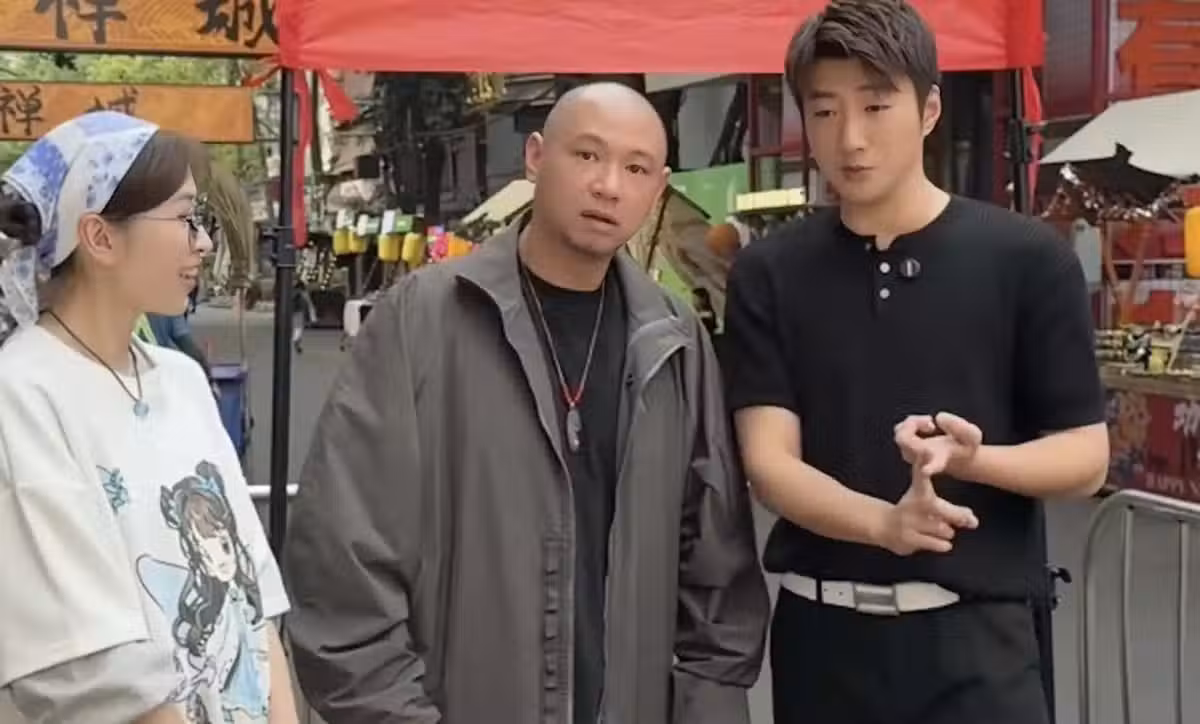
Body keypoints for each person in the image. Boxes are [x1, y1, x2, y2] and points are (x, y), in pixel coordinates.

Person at [286, 82, 769, 724]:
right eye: (587, 155)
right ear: (536, 157)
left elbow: (716, 574)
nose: (608, 186)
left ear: (659, 188)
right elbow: (342, 561)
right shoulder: (421, 320)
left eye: (636, 169)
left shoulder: (674, 340)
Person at [722, 3, 1110, 724]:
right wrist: (884, 524)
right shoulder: (768, 272)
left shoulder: (1028, 260)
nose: (851, 137)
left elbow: (1085, 457)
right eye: (825, 111)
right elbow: (769, 463)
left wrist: (975, 460)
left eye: (876, 106)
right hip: (822, 641)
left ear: (929, 109)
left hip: (979, 644)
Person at [0, 112, 297, 724]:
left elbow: (252, 590)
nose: (203, 242)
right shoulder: (21, 392)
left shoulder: (181, 378)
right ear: (100, 237)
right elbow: (86, 664)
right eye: (186, 217)